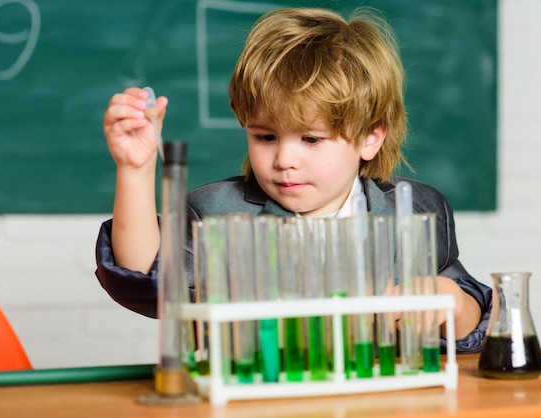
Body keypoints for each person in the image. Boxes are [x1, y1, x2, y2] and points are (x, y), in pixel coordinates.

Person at [95, 7, 491, 353]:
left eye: (311, 139)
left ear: (371, 136)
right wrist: (134, 170)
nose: (284, 159)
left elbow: (473, 313)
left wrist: (455, 307)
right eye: (265, 136)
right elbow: (144, 278)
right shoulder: (216, 212)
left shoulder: (418, 208)